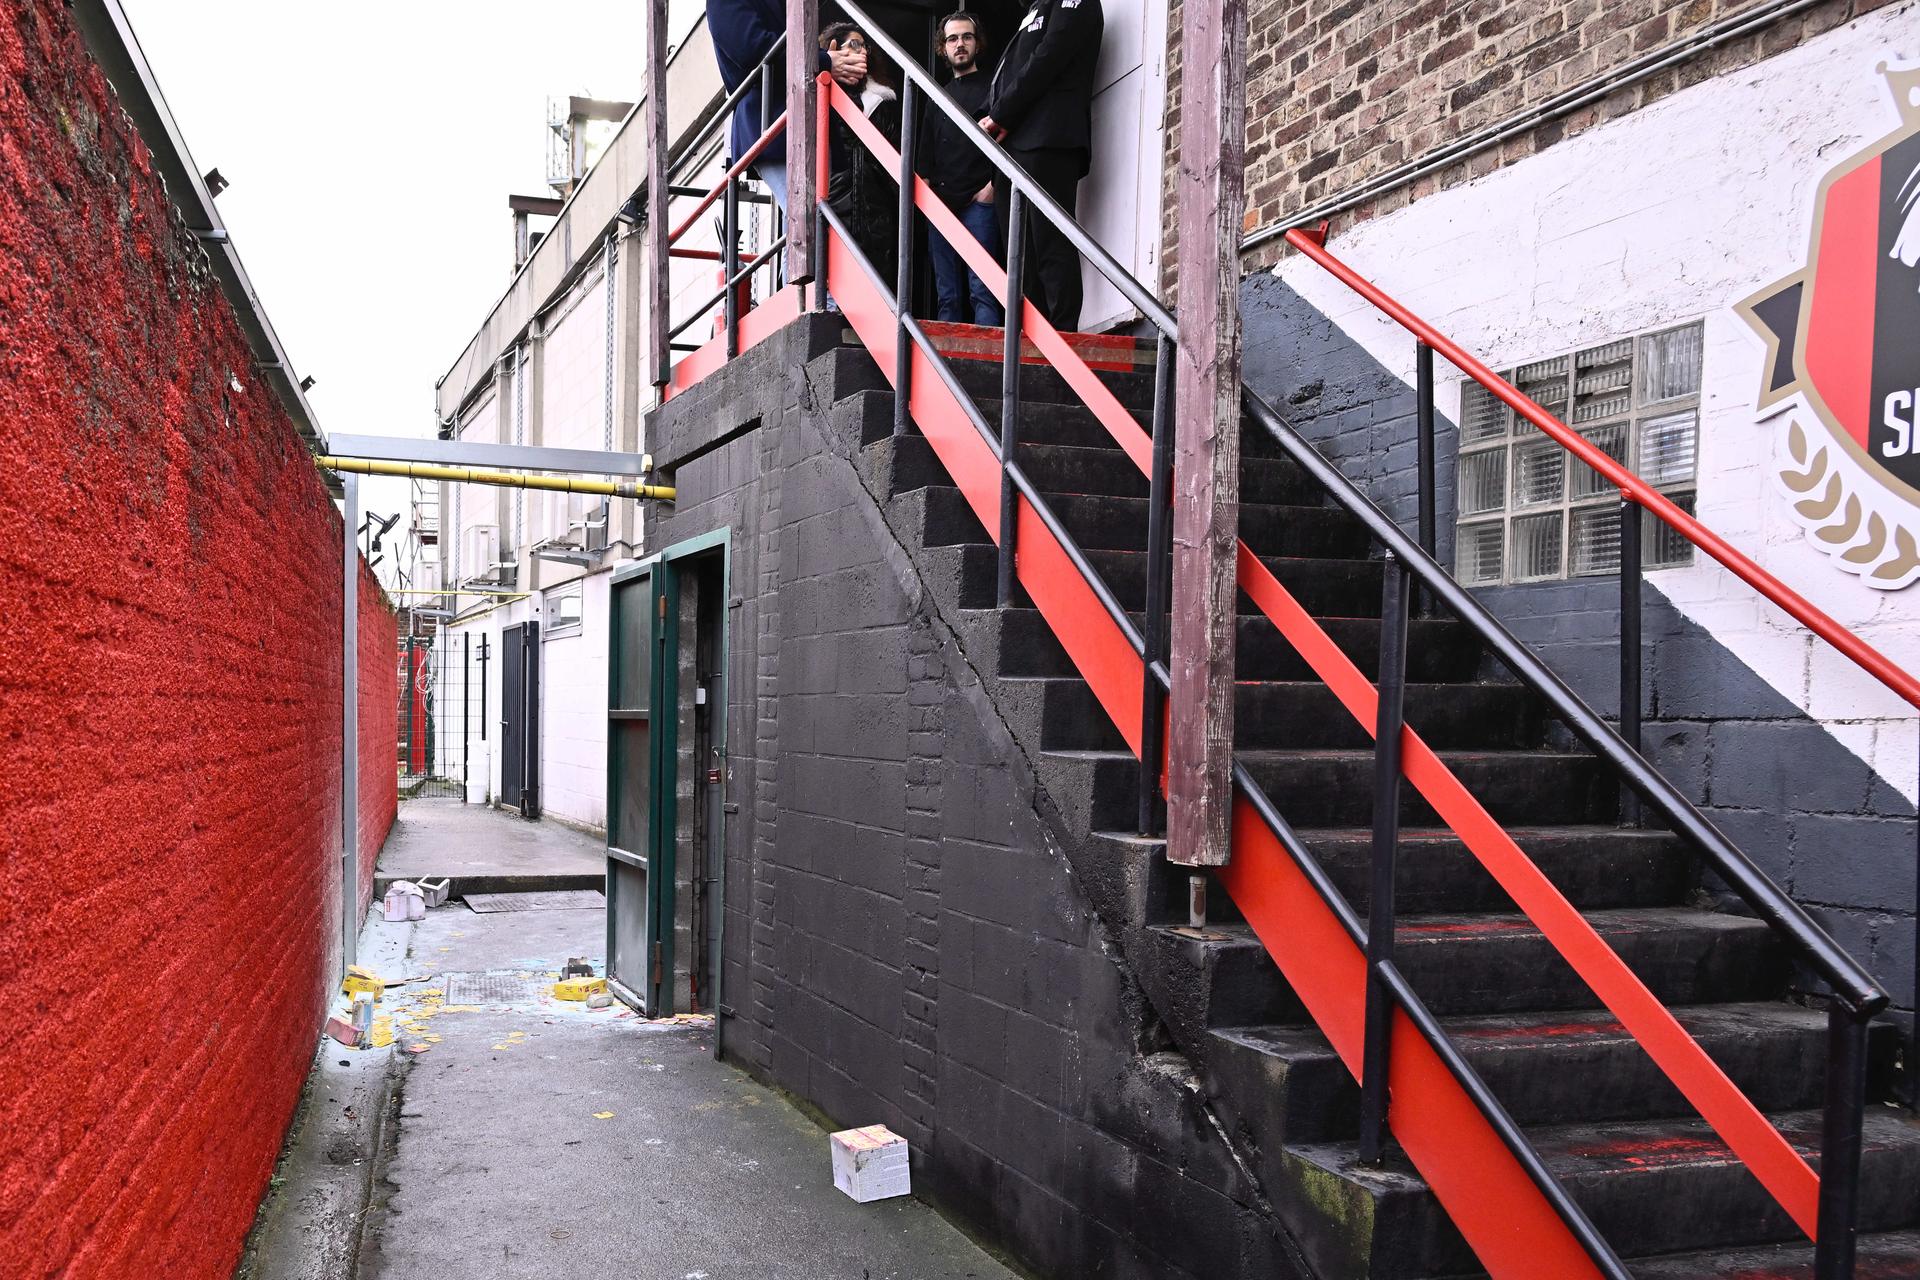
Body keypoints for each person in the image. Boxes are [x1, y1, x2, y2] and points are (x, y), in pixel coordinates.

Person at [979, 0, 1103, 332]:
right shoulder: (1034, 10)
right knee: (1019, 255)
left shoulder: (1073, 3)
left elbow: (1049, 57)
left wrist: (1001, 114)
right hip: (1011, 148)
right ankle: (1030, 335)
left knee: (1050, 243)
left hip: (1048, 139)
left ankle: (1062, 334)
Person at [707, 0, 867, 213]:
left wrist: (830, 64)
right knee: (806, 215)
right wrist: (824, 62)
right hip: (771, 122)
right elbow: (754, 50)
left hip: (803, 121)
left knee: (812, 218)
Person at [917, 12, 1003, 327]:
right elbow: (924, 156)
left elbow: (1008, 142)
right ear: (943, 47)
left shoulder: (994, 86)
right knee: (947, 295)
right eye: (952, 39)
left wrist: (991, 189)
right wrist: (929, 202)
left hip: (979, 201)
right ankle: (943, 355)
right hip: (941, 205)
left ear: (977, 43)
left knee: (983, 291)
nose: (960, 44)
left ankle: (990, 354)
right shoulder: (936, 96)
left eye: (967, 37)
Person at [820, 22, 901, 281]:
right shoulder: (818, 93)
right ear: (834, 50)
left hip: (877, 211)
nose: (863, 51)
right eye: (854, 45)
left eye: (865, 46)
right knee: (833, 280)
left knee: (879, 282)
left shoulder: (881, 102)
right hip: (834, 201)